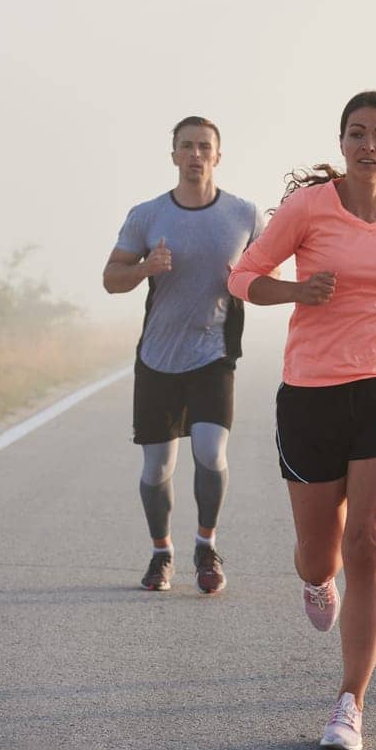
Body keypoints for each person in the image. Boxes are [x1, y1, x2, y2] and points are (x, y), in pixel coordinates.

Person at [227, 91, 376, 750]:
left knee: (367, 542)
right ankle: (314, 578)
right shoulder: (309, 208)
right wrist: (296, 291)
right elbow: (243, 277)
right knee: (320, 550)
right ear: (342, 143)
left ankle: (350, 703)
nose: (368, 145)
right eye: (357, 133)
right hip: (311, 391)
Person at [103, 116, 264, 595]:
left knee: (211, 453)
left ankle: (205, 544)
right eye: (187, 147)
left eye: (204, 147)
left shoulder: (245, 215)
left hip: (214, 353)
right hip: (157, 359)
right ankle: (161, 553)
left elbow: (267, 271)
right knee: (158, 469)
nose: (195, 155)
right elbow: (111, 278)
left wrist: (250, 280)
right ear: (173, 155)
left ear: (218, 155)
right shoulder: (148, 215)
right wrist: (144, 267)